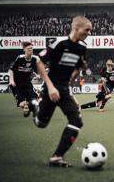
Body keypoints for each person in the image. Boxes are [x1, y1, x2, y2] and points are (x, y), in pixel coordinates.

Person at [29, 16, 92, 167]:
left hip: (64, 90)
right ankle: (34, 106)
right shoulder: (59, 43)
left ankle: (57, 157)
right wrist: (50, 87)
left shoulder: (82, 48)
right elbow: (38, 61)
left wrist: (70, 82)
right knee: (41, 124)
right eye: (87, 29)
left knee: (77, 121)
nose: (89, 33)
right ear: (76, 28)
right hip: (51, 87)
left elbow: (78, 66)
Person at [8, 42, 39, 117]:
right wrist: (11, 80)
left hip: (27, 84)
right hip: (17, 85)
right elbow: (11, 70)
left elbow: (35, 70)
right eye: (28, 49)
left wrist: (37, 75)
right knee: (22, 104)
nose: (30, 50)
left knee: (35, 102)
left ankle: (29, 109)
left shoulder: (34, 59)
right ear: (24, 49)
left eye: (31, 49)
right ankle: (26, 107)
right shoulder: (20, 58)